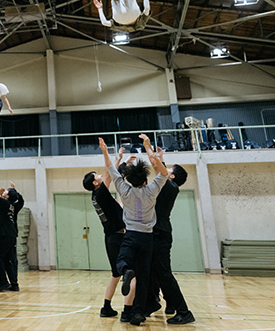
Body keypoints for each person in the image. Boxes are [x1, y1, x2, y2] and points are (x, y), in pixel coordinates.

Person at [108, 133, 167, 326]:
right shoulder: (152, 190)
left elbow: (112, 170)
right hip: (147, 238)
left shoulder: (125, 191)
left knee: (122, 261)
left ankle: (126, 271)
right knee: (143, 276)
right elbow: (164, 173)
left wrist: (104, 151)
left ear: (130, 179)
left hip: (130, 235)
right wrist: (149, 149)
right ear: (144, 177)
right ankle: (138, 314)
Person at [146, 151, 195, 325]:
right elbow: (158, 167)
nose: (164, 170)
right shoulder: (167, 185)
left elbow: (156, 167)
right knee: (152, 271)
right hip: (156, 232)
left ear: (171, 175)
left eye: (168, 169)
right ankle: (151, 302)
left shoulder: (169, 186)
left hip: (161, 234)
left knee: (164, 274)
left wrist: (148, 147)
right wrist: (159, 158)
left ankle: (184, 311)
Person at [83, 139, 128, 319]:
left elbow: (110, 174)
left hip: (112, 238)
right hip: (117, 237)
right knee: (127, 272)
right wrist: (105, 153)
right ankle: (130, 308)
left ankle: (106, 307)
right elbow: (109, 174)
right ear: (95, 183)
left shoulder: (98, 194)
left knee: (116, 275)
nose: (100, 176)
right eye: (97, 175)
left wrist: (118, 159)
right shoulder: (100, 193)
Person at [0, 182, 24, 292]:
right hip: (11, 235)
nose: (5, 191)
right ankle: (14, 284)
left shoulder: (6, 204)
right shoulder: (12, 206)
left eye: (7, 191)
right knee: (7, 259)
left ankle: (3, 282)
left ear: (7, 196)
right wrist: (15, 191)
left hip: (5, 235)